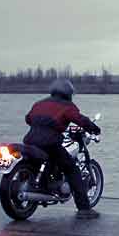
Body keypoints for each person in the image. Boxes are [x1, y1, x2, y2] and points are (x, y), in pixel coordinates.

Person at [23, 78, 101, 219]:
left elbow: (28, 119)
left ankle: (46, 184)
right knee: (72, 169)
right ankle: (84, 209)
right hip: (50, 143)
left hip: (30, 141)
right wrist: (93, 128)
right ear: (68, 93)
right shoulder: (67, 106)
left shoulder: (39, 103)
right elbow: (80, 119)